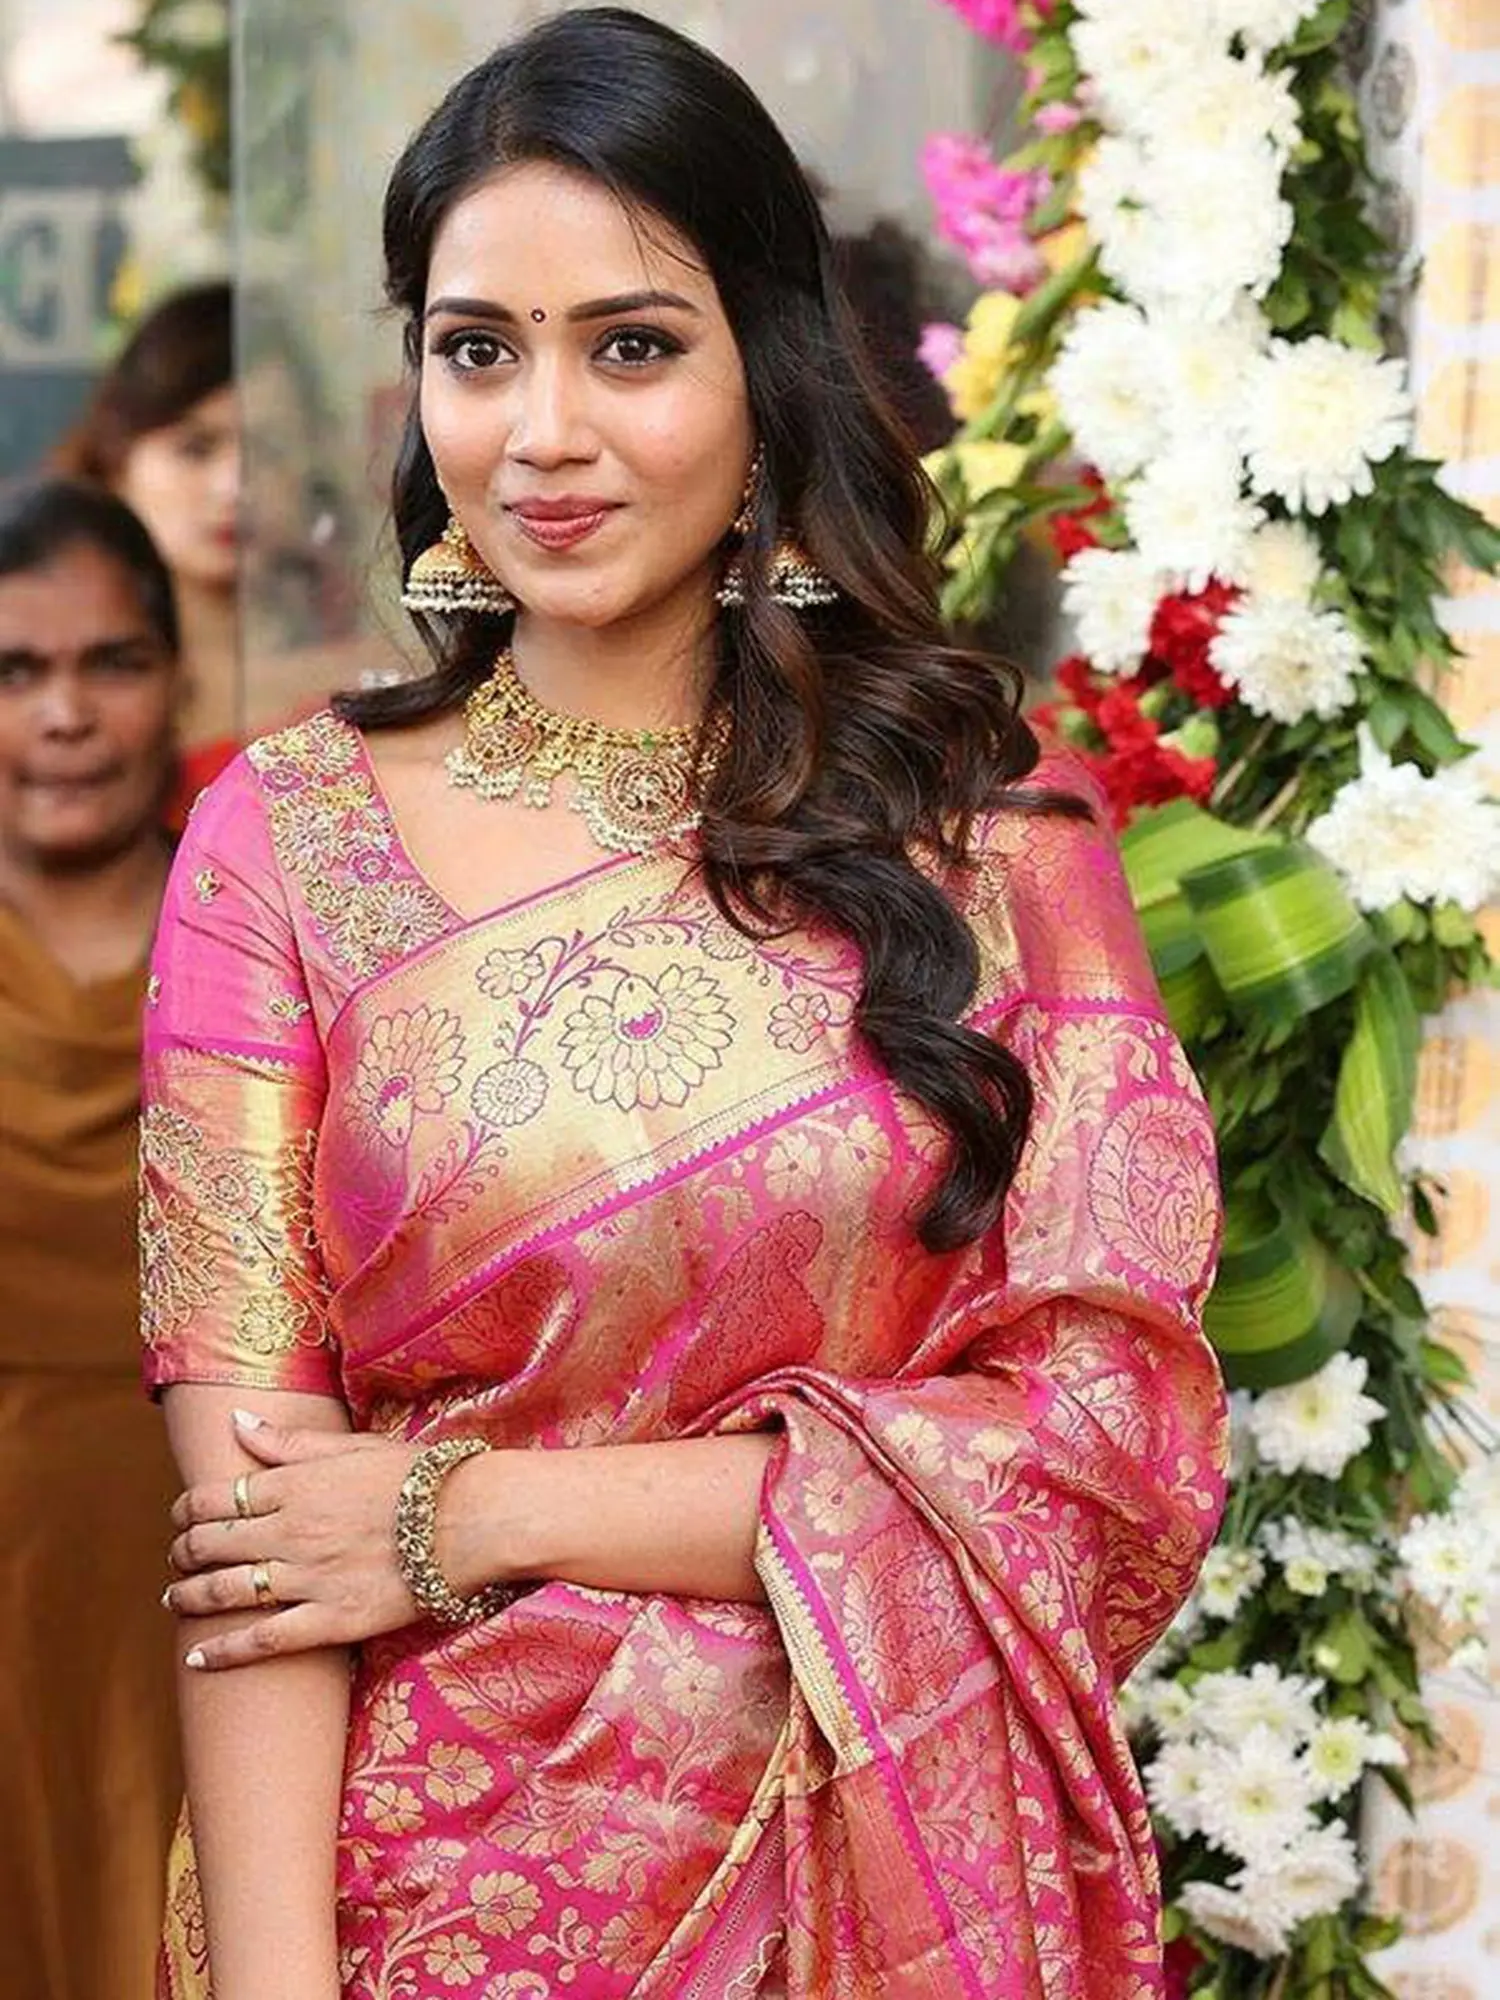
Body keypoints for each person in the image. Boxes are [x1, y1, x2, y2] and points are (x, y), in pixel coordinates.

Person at [144, 12, 1228, 1998]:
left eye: (631, 347)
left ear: (768, 376)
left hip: (894, 1900)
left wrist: (472, 1508)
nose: (541, 432)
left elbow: (1105, 1459)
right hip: (435, 1919)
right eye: (479, 349)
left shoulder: (1002, 856)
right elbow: (261, 1543)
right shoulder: (280, 846)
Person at [0, 477, 184, 2000]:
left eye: (110, 663)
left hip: (203, 1555)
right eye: (15, 671)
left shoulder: (257, 936)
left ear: (177, 678)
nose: (64, 715)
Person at [54, 283, 243, 789]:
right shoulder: (52, 680)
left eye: (270, 448)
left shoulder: (350, 679)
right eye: (196, 449)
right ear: (116, 460)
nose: (235, 486)